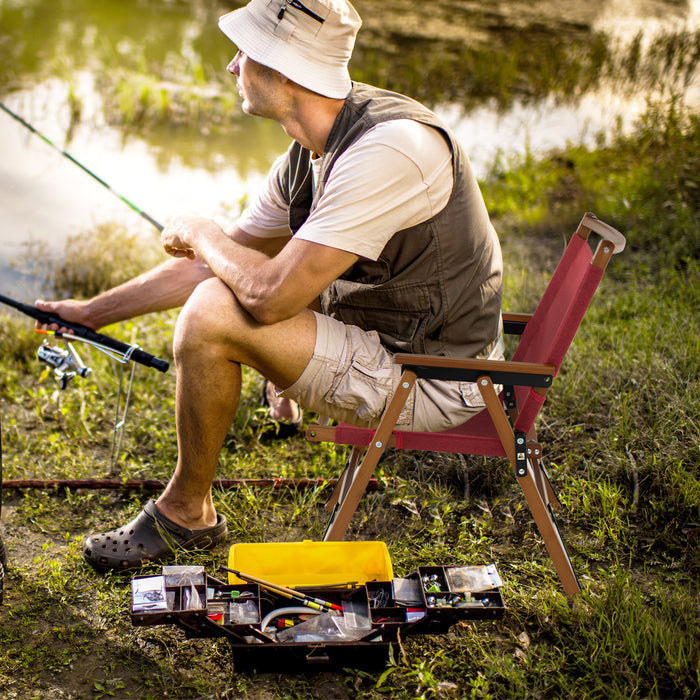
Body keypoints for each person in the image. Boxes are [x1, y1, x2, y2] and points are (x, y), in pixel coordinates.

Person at [37, 0, 504, 572]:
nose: (233, 67)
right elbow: (221, 265)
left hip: (436, 377)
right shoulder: (313, 147)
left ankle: (187, 515)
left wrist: (203, 232)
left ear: (285, 72)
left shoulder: (389, 151)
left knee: (213, 316)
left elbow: (267, 294)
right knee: (224, 289)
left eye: (246, 54)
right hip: (397, 346)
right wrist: (91, 314)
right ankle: (192, 505)